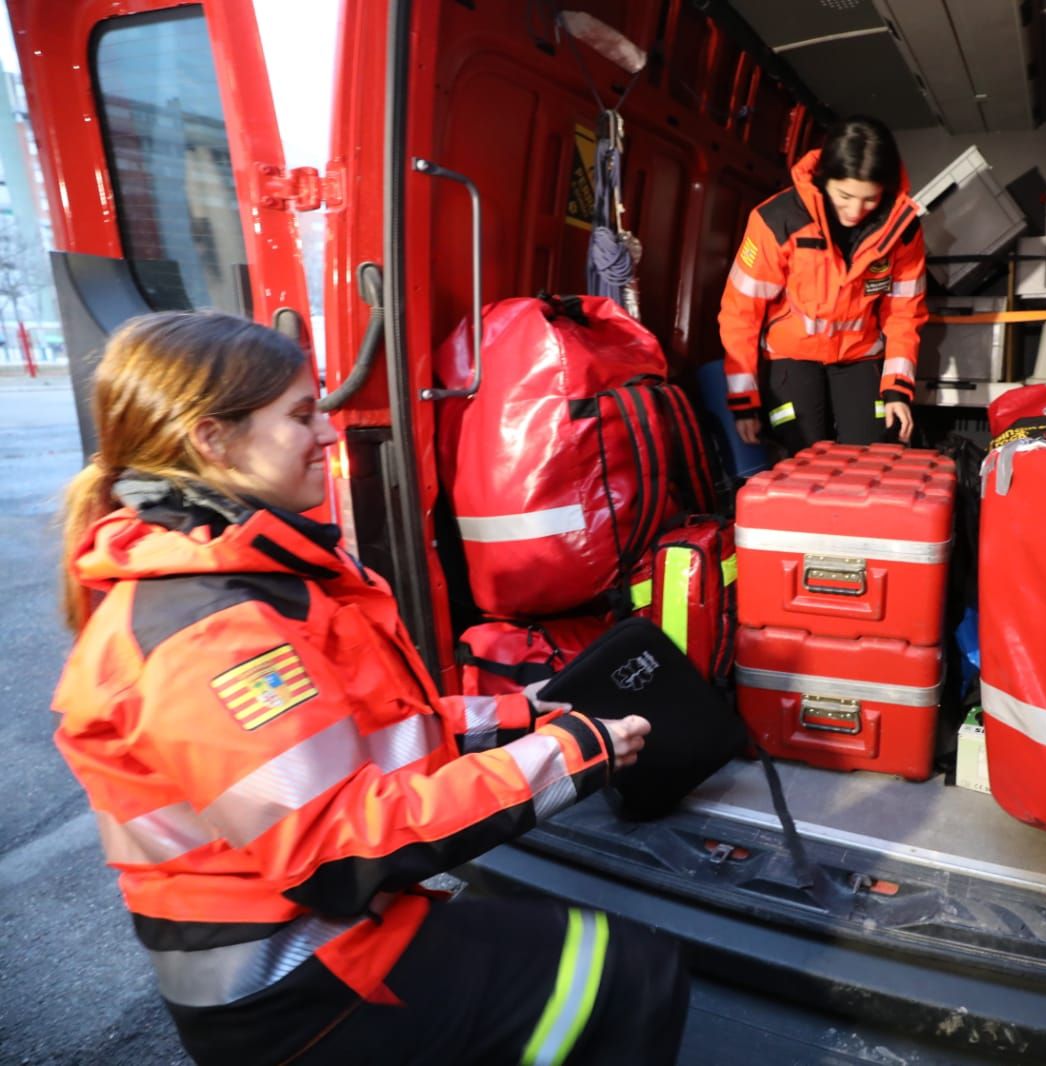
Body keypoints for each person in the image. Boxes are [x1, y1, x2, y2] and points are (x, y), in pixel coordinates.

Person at [52, 311, 688, 1065]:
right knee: (630, 975)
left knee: (605, 964)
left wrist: (525, 715)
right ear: (211, 440)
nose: (327, 434)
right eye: (299, 415)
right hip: (294, 988)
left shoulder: (250, 579)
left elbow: (374, 728)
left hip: (333, 943)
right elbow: (333, 851)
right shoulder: (211, 627)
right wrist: (570, 754)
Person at [720, 114, 928, 452]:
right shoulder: (777, 220)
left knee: (872, 453)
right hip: (790, 355)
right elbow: (741, 312)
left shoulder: (902, 230)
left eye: (870, 199)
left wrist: (897, 390)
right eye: (844, 195)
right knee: (802, 456)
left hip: (860, 356)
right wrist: (744, 400)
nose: (856, 210)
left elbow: (905, 313)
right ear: (823, 180)